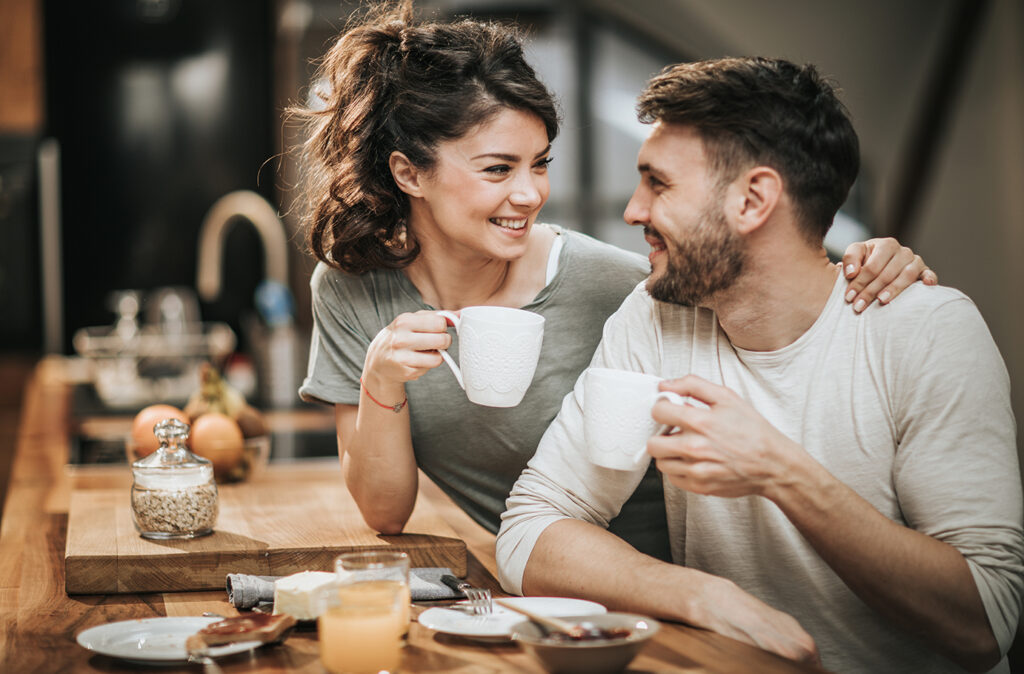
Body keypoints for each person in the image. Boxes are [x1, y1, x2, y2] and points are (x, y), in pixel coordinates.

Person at [293, 1, 935, 560]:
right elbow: (385, 515)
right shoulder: (352, 290)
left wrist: (864, 263)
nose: (530, 193)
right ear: (409, 174)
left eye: (539, 164)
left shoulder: (620, 287)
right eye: (497, 169)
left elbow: (767, 288)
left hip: (669, 580)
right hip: (542, 577)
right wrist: (379, 378)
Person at [496, 56, 1023, 673]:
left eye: (658, 184)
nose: (633, 211)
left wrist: (782, 473)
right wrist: (701, 594)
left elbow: (987, 624)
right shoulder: (656, 313)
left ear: (753, 200)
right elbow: (532, 526)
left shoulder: (926, 330)